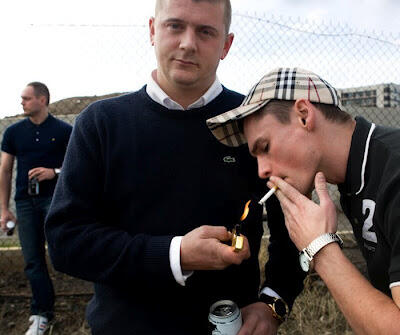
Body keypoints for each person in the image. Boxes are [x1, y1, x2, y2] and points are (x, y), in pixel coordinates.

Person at [45, 2, 305, 334]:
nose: (187, 43)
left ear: (226, 45)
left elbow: (294, 227)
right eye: (175, 26)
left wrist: (273, 302)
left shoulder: (254, 122)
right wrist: (175, 254)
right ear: (153, 30)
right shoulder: (100, 123)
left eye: (206, 31)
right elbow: (67, 243)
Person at [207, 67, 400, 333]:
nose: (262, 171)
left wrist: (319, 248)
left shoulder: (394, 172)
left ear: (304, 115)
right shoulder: (356, 178)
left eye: (265, 148)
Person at [0, 81, 72, 335]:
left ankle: (96, 305)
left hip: (56, 201)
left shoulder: (64, 131)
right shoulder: (13, 132)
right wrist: (4, 210)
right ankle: (41, 313)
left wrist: (53, 172)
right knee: (32, 260)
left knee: (64, 252)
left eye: (26, 98)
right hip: (25, 203)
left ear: (42, 100)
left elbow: (78, 167)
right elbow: (5, 170)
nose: (22, 102)